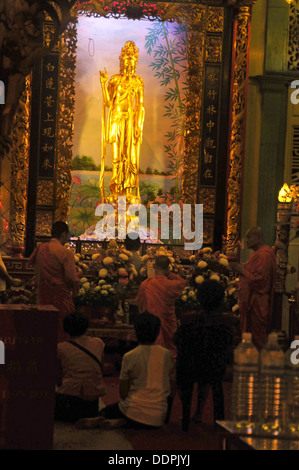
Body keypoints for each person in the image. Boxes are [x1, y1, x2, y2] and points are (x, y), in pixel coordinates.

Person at [76, 313, 176, 430]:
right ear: (158, 331)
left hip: (132, 410)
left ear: (136, 331)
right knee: (141, 415)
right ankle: (124, 422)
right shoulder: (168, 355)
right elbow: (172, 389)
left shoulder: (130, 356)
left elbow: (123, 393)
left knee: (106, 411)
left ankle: (118, 420)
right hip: (158, 416)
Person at [175, 280, 233, 431]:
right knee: (210, 379)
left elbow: (177, 340)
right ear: (221, 300)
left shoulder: (189, 320)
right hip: (215, 368)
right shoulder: (225, 323)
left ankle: (188, 413)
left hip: (189, 367)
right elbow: (229, 345)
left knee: (185, 373)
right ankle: (211, 418)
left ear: (199, 299)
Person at [99, 40, 145, 204]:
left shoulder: (138, 82)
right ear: (122, 62)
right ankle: (116, 188)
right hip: (117, 120)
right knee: (117, 156)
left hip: (130, 121)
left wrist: (138, 126)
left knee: (130, 156)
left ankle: (128, 189)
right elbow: (107, 102)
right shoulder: (115, 80)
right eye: (126, 63)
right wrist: (104, 84)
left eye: (132, 64)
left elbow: (140, 106)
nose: (129, 67)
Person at [29, 221, 80, 342]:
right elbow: (72, 279)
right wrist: (76, 293)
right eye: (68, 235)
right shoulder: (65, 253)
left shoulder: (40, 248)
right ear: (63, 234)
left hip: (42, 296)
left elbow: (33, 265)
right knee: (61, 332)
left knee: (44, 330)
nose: (68, 238)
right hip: (61, 299)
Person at [230, 226, 276, 351]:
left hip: (257, 302)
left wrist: (242, 271)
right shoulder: (258, 254)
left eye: (249, 237)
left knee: (258, 338)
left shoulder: (264, 255)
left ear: (259, 238)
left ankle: (260, 365)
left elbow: (260, 280)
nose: (246, 240)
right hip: (253, 301)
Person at [55, 312, 106, 423]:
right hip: (92, 401)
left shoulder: (60, 348)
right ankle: (90, 418)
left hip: (69, 398)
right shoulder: (98, 343)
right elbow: (101, 368)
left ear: (65, 329)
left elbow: (57, 375)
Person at [136, 255, 186, 358]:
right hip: (168, 324)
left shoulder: (145, 284)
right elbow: (183, 283)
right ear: (168, 268)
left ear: (154, 266)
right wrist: (170, 274)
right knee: (170, 354)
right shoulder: (171, 285)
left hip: (150, 326)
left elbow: (140, 304)